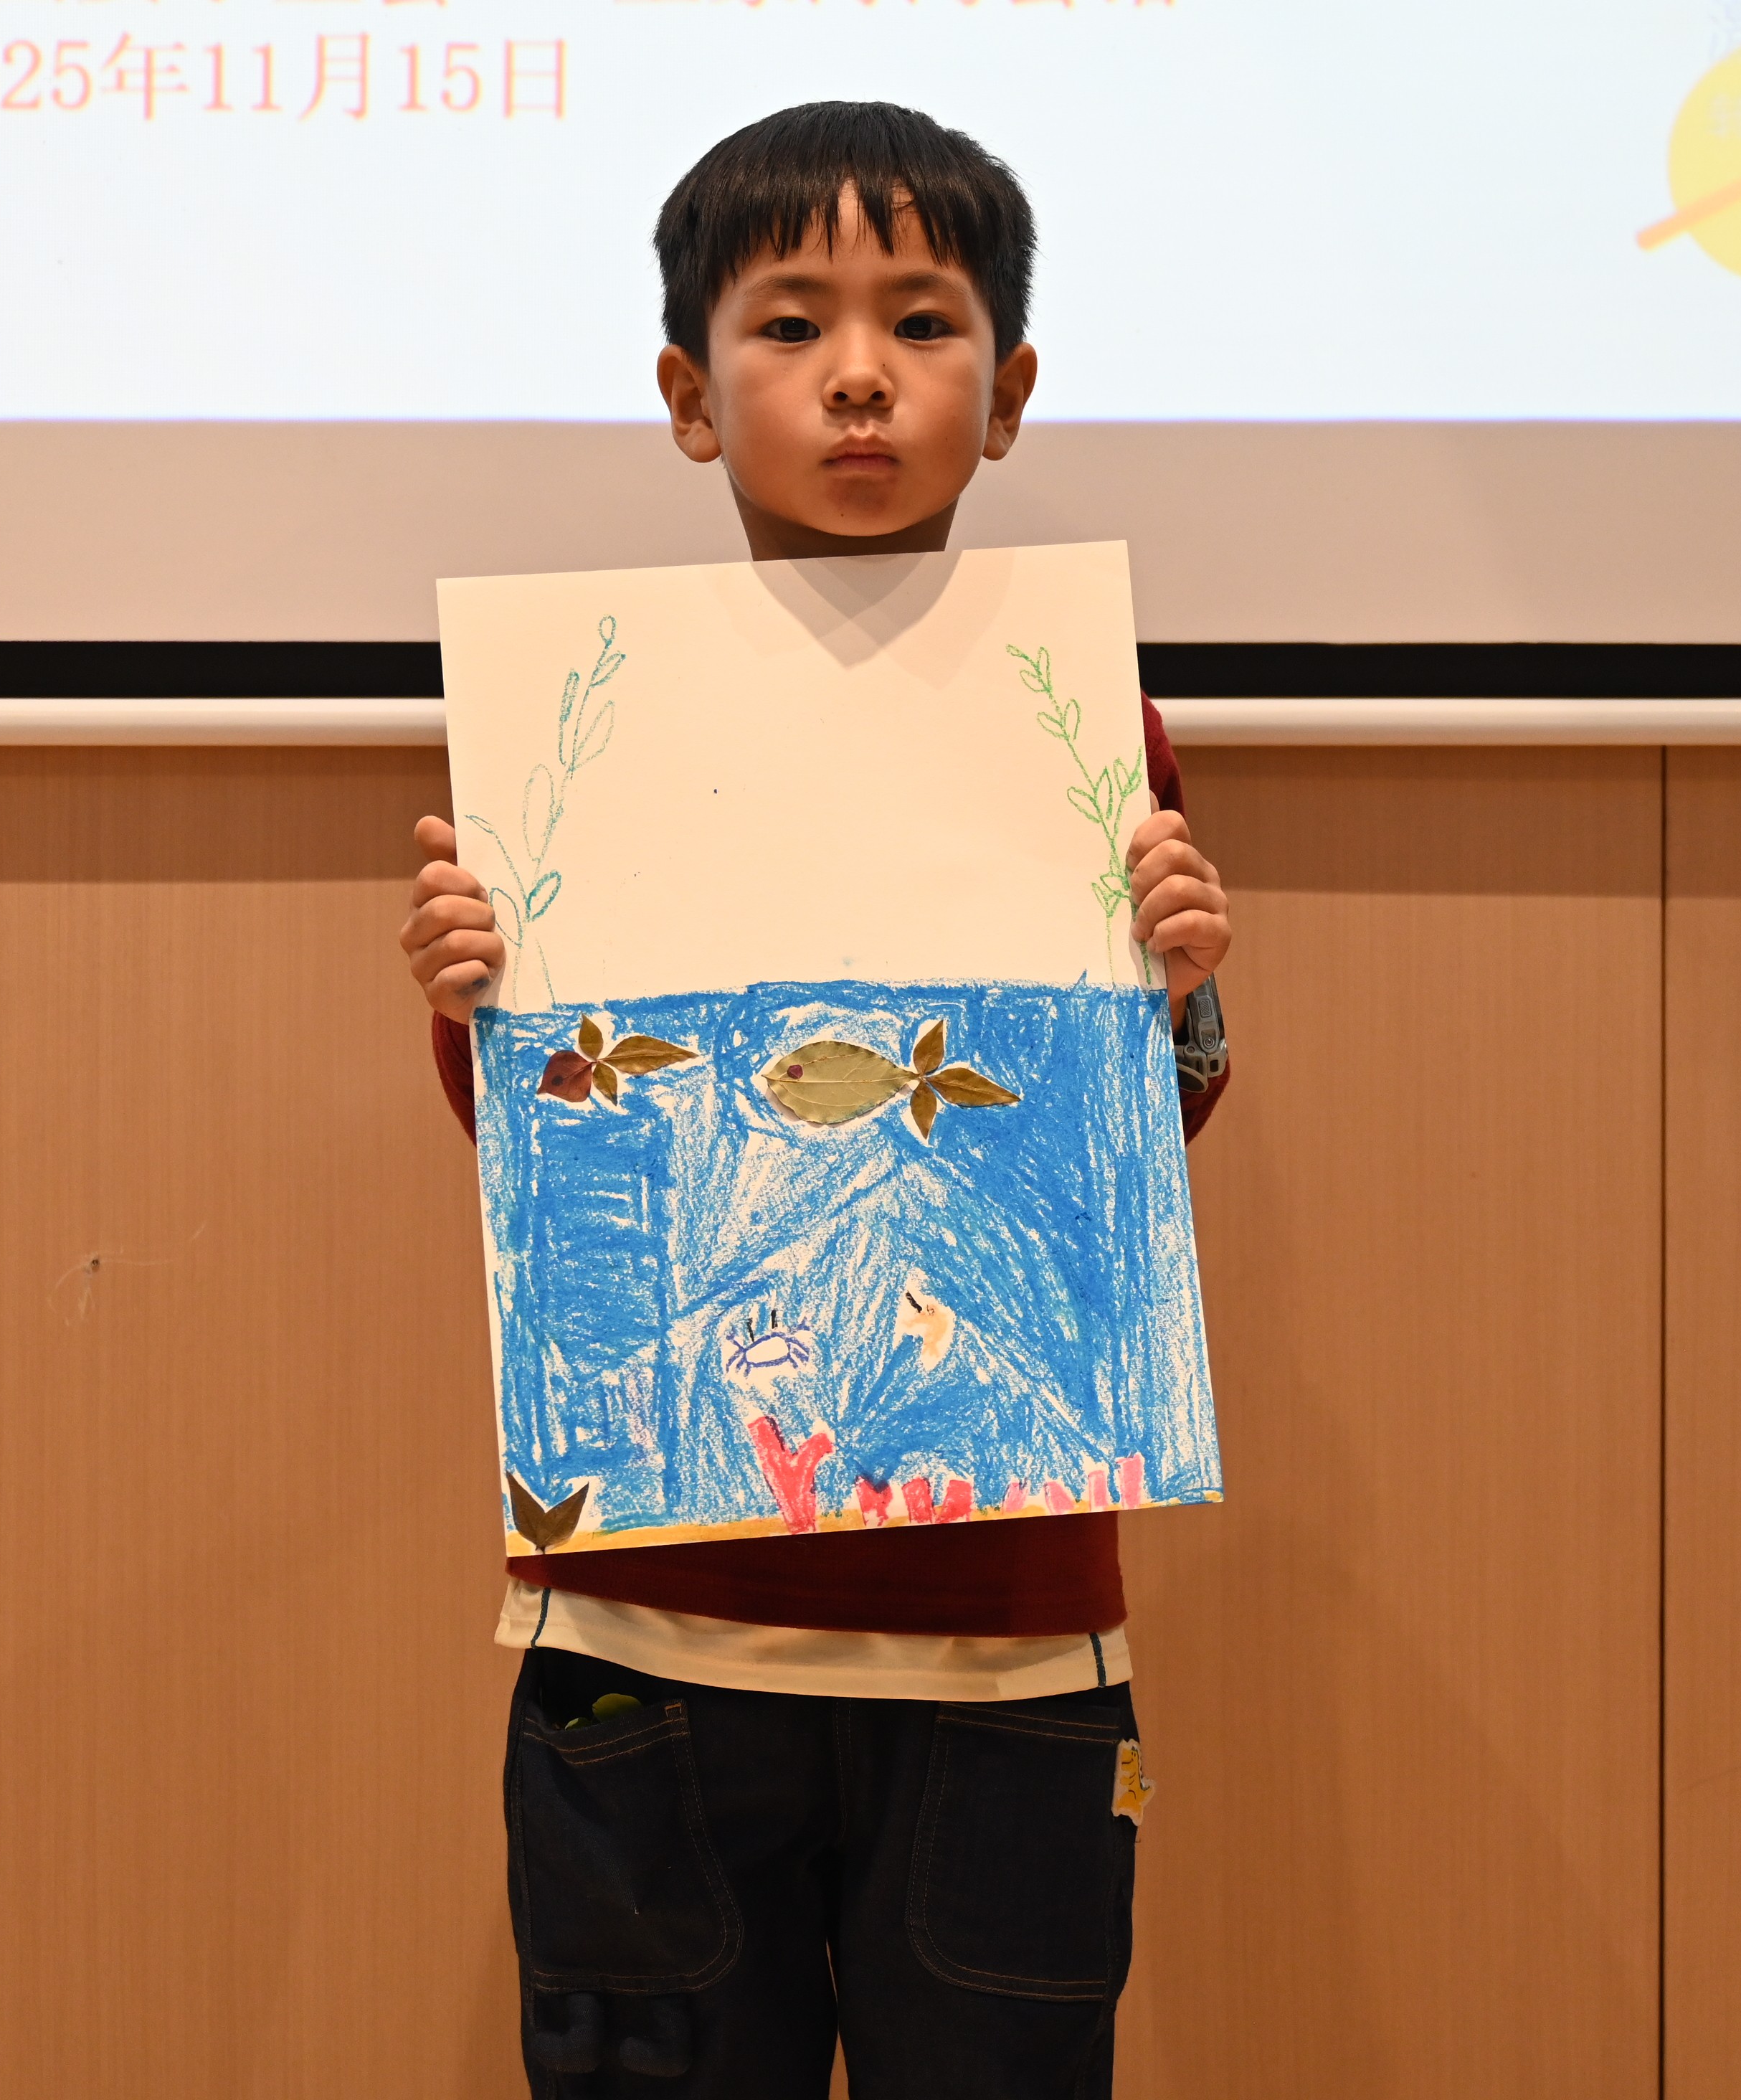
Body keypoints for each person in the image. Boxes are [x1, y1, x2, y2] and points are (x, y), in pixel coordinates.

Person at [396, 101, 1236, 2099]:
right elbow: (548, 1152)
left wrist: (1181, 995)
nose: (861, 375)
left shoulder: (1083, 716)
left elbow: (1139, 1136)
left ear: (1007, 395)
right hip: (649, 1634)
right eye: (790, 326)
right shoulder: (581, 712)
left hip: (1008, 1634)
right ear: (690, 397)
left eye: (923, 323)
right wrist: (475, 1000)